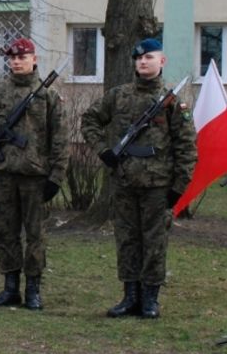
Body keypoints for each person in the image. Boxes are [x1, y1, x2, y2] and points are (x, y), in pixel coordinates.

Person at [80, 38, 196, 319]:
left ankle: (150, 299)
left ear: (162, 62)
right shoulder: (118, 96)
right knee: (127, 239)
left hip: (158, 185)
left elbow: (187, 147)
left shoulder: (172, 103)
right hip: (124, 181)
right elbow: (90, 121)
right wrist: (103, 150)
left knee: (154, 242)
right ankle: (129, 296)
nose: (143, 62)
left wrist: (178, 187)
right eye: (139, 59)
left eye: (149, 58)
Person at [0, 38, 68, 311]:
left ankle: (33, 288)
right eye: (12, 57)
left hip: (35, 177)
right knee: (5, 233)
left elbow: (60, 140)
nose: (16, 61)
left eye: (22, 57)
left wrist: (56, 177)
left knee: (35, 235)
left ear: (34, 59)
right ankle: (10, 287)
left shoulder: (48, 97)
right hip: (5, 174)